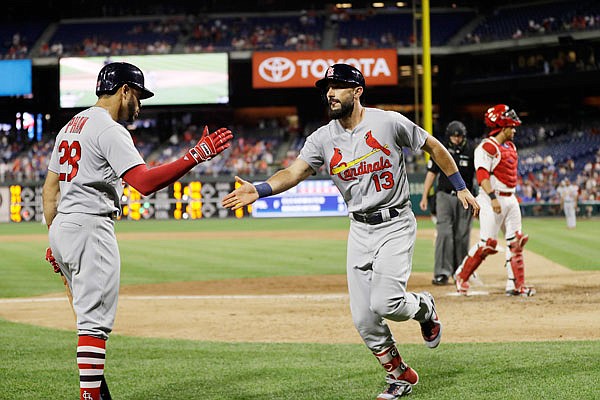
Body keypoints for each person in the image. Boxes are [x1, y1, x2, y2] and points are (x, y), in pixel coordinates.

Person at [221, 63, 479, 399]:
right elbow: (294, 172)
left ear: (357, 91)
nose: (330, 93)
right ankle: (401, 375)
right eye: (327, 87)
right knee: (363, 318)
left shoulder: (387, 122)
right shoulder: (323, 138)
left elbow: (434, 146)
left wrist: (459, 186)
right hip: (359, 229)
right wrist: (260, 189)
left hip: (395, 222)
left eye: (339, 86)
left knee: (386, 302)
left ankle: (424, 308)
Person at [42, 61, 233, 400]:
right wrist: (195, 155)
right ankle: (90, 396)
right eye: (138, 96)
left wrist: (54, 236)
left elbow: (49, 188)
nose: (139, 105)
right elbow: (143, 183)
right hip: (90, 228)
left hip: (64, 227)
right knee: (93, 326)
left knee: (87, 319)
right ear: (124, 91)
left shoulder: (71, 125)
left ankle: (98, 393)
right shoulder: (110, 129)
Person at [454, 104, 535, 297]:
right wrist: (492, 198)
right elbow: (482, 175)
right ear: (502, 127)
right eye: (511, 127)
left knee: (516, 242)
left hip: (510, 198)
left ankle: (516, 285)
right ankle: (461, 276)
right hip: (492, 198)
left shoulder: (510, 146)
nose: (514, 130)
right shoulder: (487, 146)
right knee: (487, 243)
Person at [419, 121, 475, 285]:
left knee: (462, 235)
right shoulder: (441, 149)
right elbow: (431, 173)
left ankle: (462, 272)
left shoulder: (471, 150)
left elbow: (479, 173)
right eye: (453, 136)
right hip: (444, 196)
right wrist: (424, 196)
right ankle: (442, 273)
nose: (456, 139)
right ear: (448, 136)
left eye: (459, 136)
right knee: (444, 233)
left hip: (465, 198)